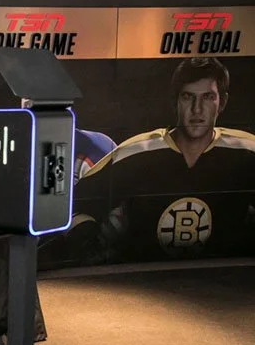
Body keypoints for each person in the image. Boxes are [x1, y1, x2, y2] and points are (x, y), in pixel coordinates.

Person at [68, 57, 255, 264]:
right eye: (188, 97)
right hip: (140, 284)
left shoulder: (247, 153)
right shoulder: (136, 153)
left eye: (208, 97)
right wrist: (87, 244)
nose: (197, 109)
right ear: (176, 101)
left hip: (225, 285)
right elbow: (74, 204)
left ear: (222, 102)